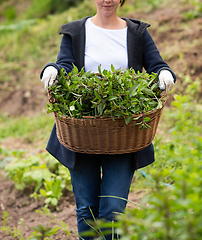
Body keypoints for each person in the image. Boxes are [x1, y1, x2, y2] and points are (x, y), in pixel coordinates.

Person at [40, 0, 176, 239]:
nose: (107, 0)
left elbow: (157, 65)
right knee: (87, 209)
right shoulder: (76, 31)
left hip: (123, 132)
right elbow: (64, 65)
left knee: (113, 209)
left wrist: (165, 74)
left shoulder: (136, 33)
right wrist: (52, 69)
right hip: (82, 131)